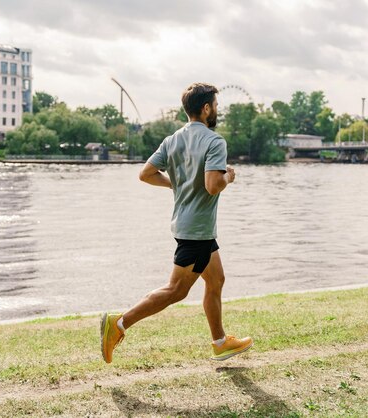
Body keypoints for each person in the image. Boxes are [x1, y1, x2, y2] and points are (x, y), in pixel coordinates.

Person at [100, 82, 253, 364]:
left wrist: (177, 185)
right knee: (176, 290)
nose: (217, 111)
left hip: (189, 225)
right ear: (206, 108)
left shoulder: (172, 140)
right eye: (216, 106)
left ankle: (220, 342)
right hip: (197, 231)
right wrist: (228, 177)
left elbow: (146, 174)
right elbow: (212, 185)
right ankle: (118, 324)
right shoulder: (214, 141)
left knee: (216, 280)